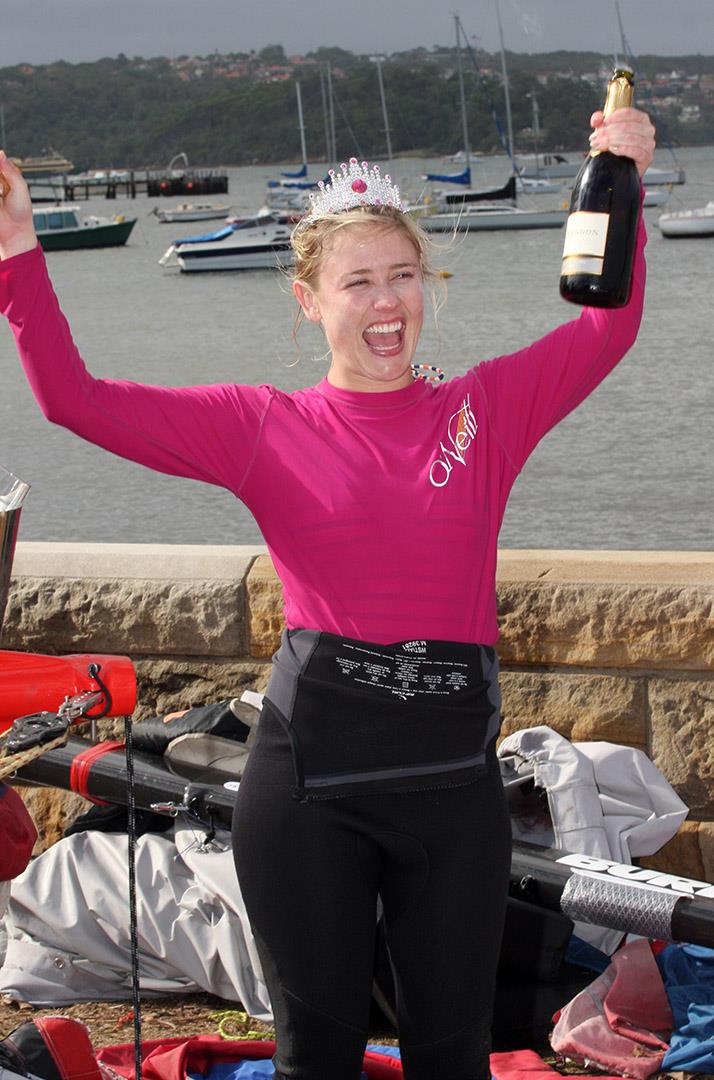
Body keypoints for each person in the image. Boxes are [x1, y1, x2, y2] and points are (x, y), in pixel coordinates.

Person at [0, 104, 655, 1080]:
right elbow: (74, 402)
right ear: (311, 298)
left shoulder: (483, 414)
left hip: (452, 796)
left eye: (402, 277)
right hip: (309, 796)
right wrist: (17, 247)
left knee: (451, 1058)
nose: (385, 304)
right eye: (358, 283)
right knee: (318, 1058)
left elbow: (608, 324)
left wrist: (625, 177)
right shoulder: (261, 426)